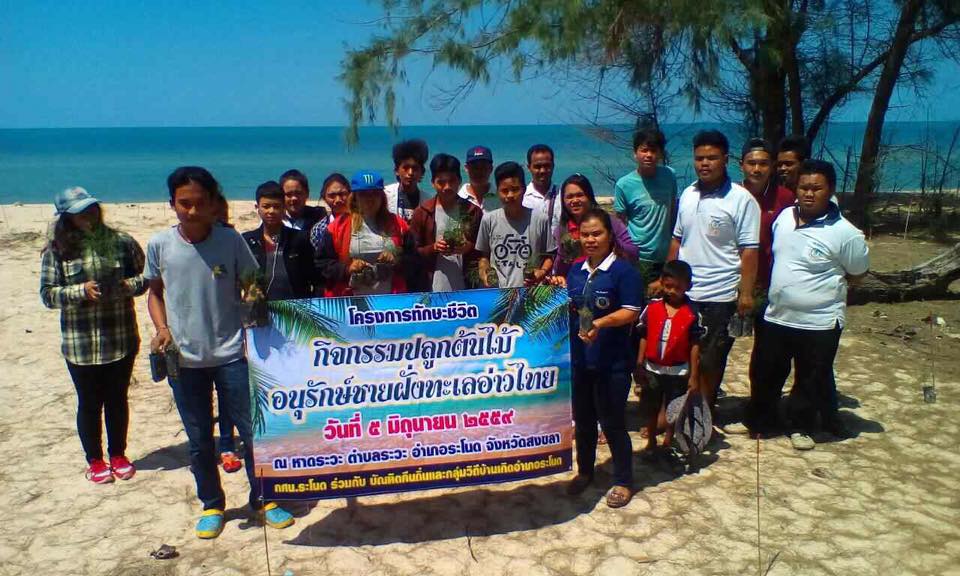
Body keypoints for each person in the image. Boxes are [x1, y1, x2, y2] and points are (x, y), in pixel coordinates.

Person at [146, 166, 294, 539]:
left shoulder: (231, 241)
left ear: (214, 203)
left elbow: (251, 281)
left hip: (232, 356)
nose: (193, 211)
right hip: (184, 361)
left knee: (252, 432)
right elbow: (155, 294)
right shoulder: (160, 245)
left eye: (200, 203)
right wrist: (162, 329)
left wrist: (251, 304)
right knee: (199, 441)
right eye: (184, 203)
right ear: (172, 204)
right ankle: (212, 504)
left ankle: (264, 499)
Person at [747, 160, 869, 450]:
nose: (809, 193)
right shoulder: (784, 217)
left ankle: (800, 426)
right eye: (804, 187)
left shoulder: (846, 233)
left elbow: (858, 272)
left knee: (810, 379)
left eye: (817, 188)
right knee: (766, 373)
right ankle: (764, 421)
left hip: (819, 322)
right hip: (777, 316)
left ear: (831, 190)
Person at [40, 187, 147, 484]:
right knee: (89, 402)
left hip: (120, 338)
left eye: (90, 209)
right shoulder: (57, 251)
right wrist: (80, 291)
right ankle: (95, 460)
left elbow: (145, 278)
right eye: (79, 213)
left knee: (117, 399)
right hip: (81, 345)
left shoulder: (122, 242)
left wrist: (125, 287)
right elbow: (47, 295)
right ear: (67, 218)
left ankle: (118, 454)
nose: (88, 216)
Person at [554, 208, 643, 508]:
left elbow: (631, 311)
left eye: (597, 234)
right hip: (581, 361)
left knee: (613, 422)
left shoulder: (624, 272)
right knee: (584, 423)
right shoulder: (576, 270)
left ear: (610, 236)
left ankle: (624, 480)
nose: (590, 240)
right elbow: (570, 306)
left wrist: (601, 323)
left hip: (612, 362)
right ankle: (585, 472)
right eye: (585, 234)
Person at [667, 130, 760, 408]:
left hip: (720, 296)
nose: (704, 163)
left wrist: (746, 293)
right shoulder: (688, 194)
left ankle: (704, 415)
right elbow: (677, 240)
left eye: (712, 158)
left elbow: (749, 250)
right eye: (699, 158)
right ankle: (680, 412)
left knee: (710, 361)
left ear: (726, 159)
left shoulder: (741, 200)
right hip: (685, 293)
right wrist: (666, 278)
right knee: (681, 356)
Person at [634, 260, 703, 459]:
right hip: (652, 368)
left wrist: (694, 375)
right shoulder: (652, 308)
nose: (672, 291)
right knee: (651, 406)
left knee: (674, 408)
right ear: (662, 283)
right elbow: (644, 336)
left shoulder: (692, 313)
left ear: (688, 286)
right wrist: (639, 363)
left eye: (678, 288)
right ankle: (651, 441)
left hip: (678, 370)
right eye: (668, 286)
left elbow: (695, 345)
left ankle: (668, 440)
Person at [316, 170, 418, 296]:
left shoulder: (399, 225)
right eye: (364, 194)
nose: (370, 199)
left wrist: (396, 260)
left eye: (375, 194)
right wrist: (347, 269)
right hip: (350, 300)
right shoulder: (337, 227)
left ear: (382, 197)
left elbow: (414, 259)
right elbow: (322, 263)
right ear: (355, 198)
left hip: (391, 299)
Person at [614, 127, 678, 285]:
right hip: (638, 257)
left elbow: (673, 211)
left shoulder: (669, 175)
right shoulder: (624, 185)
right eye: (644, 150)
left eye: (653, 150)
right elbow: (620, 224)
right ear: (635, 153)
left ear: (660, 154)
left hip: (666, 255)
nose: (649, 155)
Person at [476, 161, 555, 288]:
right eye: (504, 191)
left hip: (531, 292)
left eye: (515, 189)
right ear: (497, 192)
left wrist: (542, 272)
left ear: (524, 189)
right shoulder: (488, 219)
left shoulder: (540, 219)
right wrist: (484, 273)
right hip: (499, 293)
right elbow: (483, 257)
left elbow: (549, 256)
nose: (510, 195)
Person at [409, 153, 482, 291]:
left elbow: (483, 251)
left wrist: (468, 247)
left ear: (459, 181)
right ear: (432, 183)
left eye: (452, 181)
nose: (447, 187)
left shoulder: (473, 211)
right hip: (432, 288)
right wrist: (433, 248)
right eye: (441, 182)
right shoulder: (422, 212)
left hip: (467, 288)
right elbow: (412, 253)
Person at [242, 180, 317, 300]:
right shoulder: (247, 240)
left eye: (276, 207)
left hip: (296, 307)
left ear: (284, 208)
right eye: (266, 206)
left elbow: (316, 278)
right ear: (257, 207)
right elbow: (238, 277)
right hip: (260, 308)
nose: (271, 211)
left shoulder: (300, 238)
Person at [553, 173, 637, 278]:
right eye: (569, 197)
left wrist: (609, 240)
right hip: (576, 281)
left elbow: (633, 252)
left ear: (589, 196)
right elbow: (560, 267)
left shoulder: (609, 221)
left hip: (609, 278)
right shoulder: (562, 229)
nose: (575, 200)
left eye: (579, 195)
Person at [740, 138, 796, 290]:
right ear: (741, 165)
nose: (757, 169)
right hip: (734, 278)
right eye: (751, 163)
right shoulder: (731, 195)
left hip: (770, 280)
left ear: (772, 166)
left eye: (763, 164)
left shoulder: (785, 197)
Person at [385, 139, 429, 221]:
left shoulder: (427, 201)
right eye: (406, 168)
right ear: (397, 170)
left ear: (422, 172)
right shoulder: (385, 196)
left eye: (415, 168)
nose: (410, 173)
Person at [308, 173, 352, 253]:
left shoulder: (363, 222)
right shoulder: (319, 230)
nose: (338, 200)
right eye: (332, 195)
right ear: (324, 198)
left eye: (342, 194)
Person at [458, 145, 499, 212]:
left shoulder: (501, 198)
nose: (478, 172)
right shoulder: (457, 198)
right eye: (474, 167)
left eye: (483, 167)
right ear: (466, 168)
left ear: (491, 168)